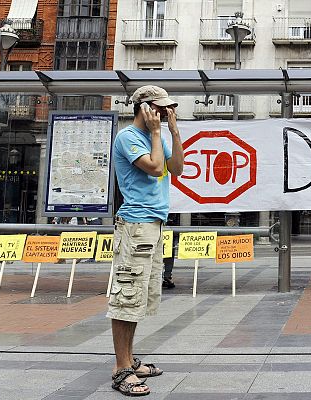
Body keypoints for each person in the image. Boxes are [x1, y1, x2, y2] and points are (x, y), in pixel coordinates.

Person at [108, 85, 184, 396]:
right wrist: (156, 132)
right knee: (126, 296)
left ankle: (128, 359)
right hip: (135, 224)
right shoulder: (128, 137)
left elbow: (176, 168)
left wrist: (173, 131)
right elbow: (155, 169)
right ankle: (121, 368)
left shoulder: (158, 137)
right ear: (144, 108)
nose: (166, 113)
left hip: (153, 224)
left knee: (138, 298)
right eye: (161, 108)